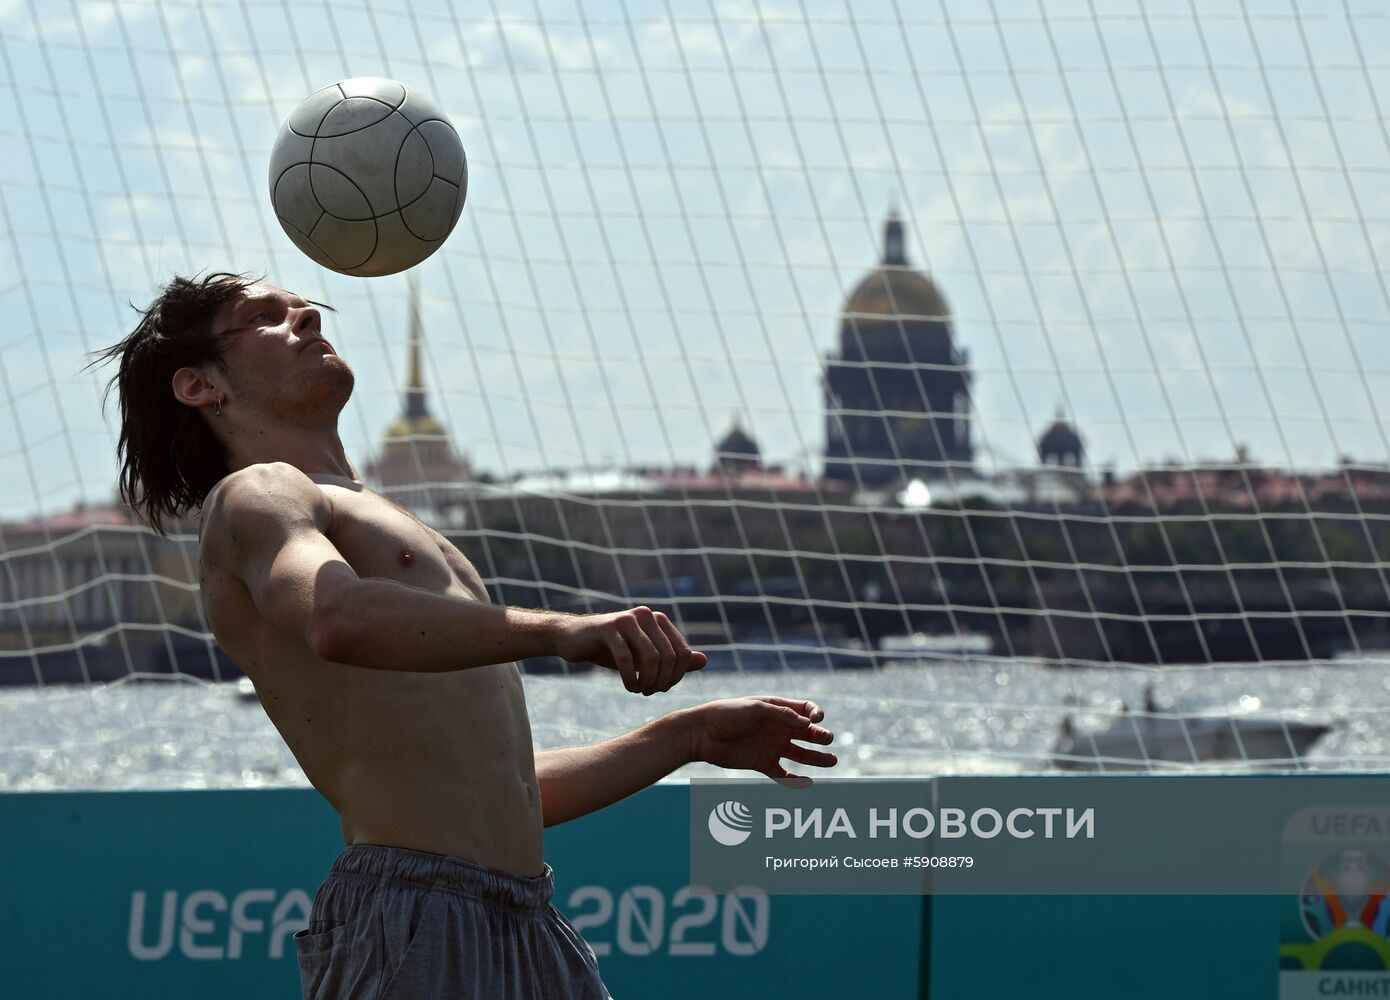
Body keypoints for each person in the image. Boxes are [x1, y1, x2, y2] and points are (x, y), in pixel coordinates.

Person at [84, 272, 838, 999]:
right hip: (414, 919)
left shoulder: (374, 512)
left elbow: (501, 795)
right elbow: (335, 617)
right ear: (199, 384)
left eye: (304, 306)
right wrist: (566, 632)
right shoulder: (258, 494)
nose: (306, 318)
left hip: (528, 916)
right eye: (265, 317)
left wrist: (687, 736)